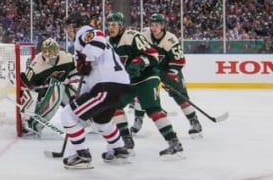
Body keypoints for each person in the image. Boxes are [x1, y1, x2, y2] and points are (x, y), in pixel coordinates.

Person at [105, 12, 184, 158]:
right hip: (128, 81)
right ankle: (126, 142)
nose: (111, 27)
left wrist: (138, 63)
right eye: (109, 24)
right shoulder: (107, 42)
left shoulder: (132, 36)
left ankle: (174, 143)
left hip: (147, 77)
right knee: (114, 106)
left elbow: (152, 54)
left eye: (114, 24)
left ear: (122, 26)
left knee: (153, 110)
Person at [60, 22, 131, 169]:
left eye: (68, 28)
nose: (67, 32)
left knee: (68, 115)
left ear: (75, 26)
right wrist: (82, 94)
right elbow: (89, 76)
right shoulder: (87, 46)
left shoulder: (84, 31)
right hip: (117, 84)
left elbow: (98, 36)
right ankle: (119, 149)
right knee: (101, 122)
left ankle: (82, 155)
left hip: (106, 84)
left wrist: (85, 58)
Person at [135, 13, 203, 137]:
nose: (154, 27)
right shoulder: (144, 36)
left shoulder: (170, 40)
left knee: (181, 98)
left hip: (168, 70)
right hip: (151, 70)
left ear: (163, 26)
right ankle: (138, 120)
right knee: (142, 94)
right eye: (152, 25)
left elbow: (179, 61)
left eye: (157, 25)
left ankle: (194, 122)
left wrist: (171, 76)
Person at [19, 37, 78, 137]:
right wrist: (31, 87)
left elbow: (75, 72)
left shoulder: (67, 58)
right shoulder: (36, 65)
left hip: (62, 86)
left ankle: (88, 121)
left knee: (76, 98)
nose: (47, 54)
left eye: (50, 51)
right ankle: (34, 125)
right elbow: (25, 81)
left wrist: (73, 78)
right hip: (44, 91)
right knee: (56, 91)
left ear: (57, 50)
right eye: (45, 51)